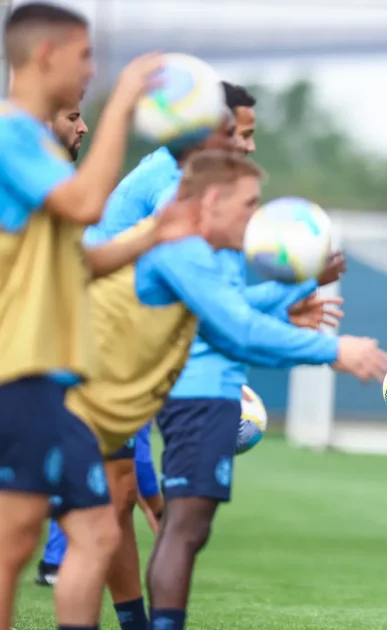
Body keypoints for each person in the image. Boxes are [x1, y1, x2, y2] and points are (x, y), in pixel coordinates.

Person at [63, 149, 387, 630]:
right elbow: (235, 329)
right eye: (249, 206)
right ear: (214, 199)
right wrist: (334, 351)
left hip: (98, 398)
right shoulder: (181, 246)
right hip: (73, 392)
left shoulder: (189, 247)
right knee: (74, 534)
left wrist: (295, 313)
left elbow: (227, 324)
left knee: (99, 530)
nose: (255, 223)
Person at [143, 89, 346, 630]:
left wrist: (299, 287)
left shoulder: (192, 235)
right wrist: (336, 350)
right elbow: (236, 329)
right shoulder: (178, 223)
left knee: (169, 525)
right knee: (175, 527)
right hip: (190, 387)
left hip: (186, 384)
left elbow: (231, 314)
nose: (246, 146)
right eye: (239, 133)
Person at [0, 4, 162, 629]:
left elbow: (81, 262)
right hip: (17, 371)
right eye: (85, 56)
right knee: (13, 546)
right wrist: (124, 106)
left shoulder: (39, 149)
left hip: (53, 381)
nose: (92, 71)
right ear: (47, 56)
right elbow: (90, 203)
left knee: (98, 529)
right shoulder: (12, 134)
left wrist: (157, 232)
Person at [35, 106, 164, 602]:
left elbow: (86, 258)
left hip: (73, 354)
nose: (83, 126)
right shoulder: (23, 163)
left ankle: (56, 559)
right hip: (46, 362)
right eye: (73, 114)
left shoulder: (57, 189)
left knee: (96, 521)